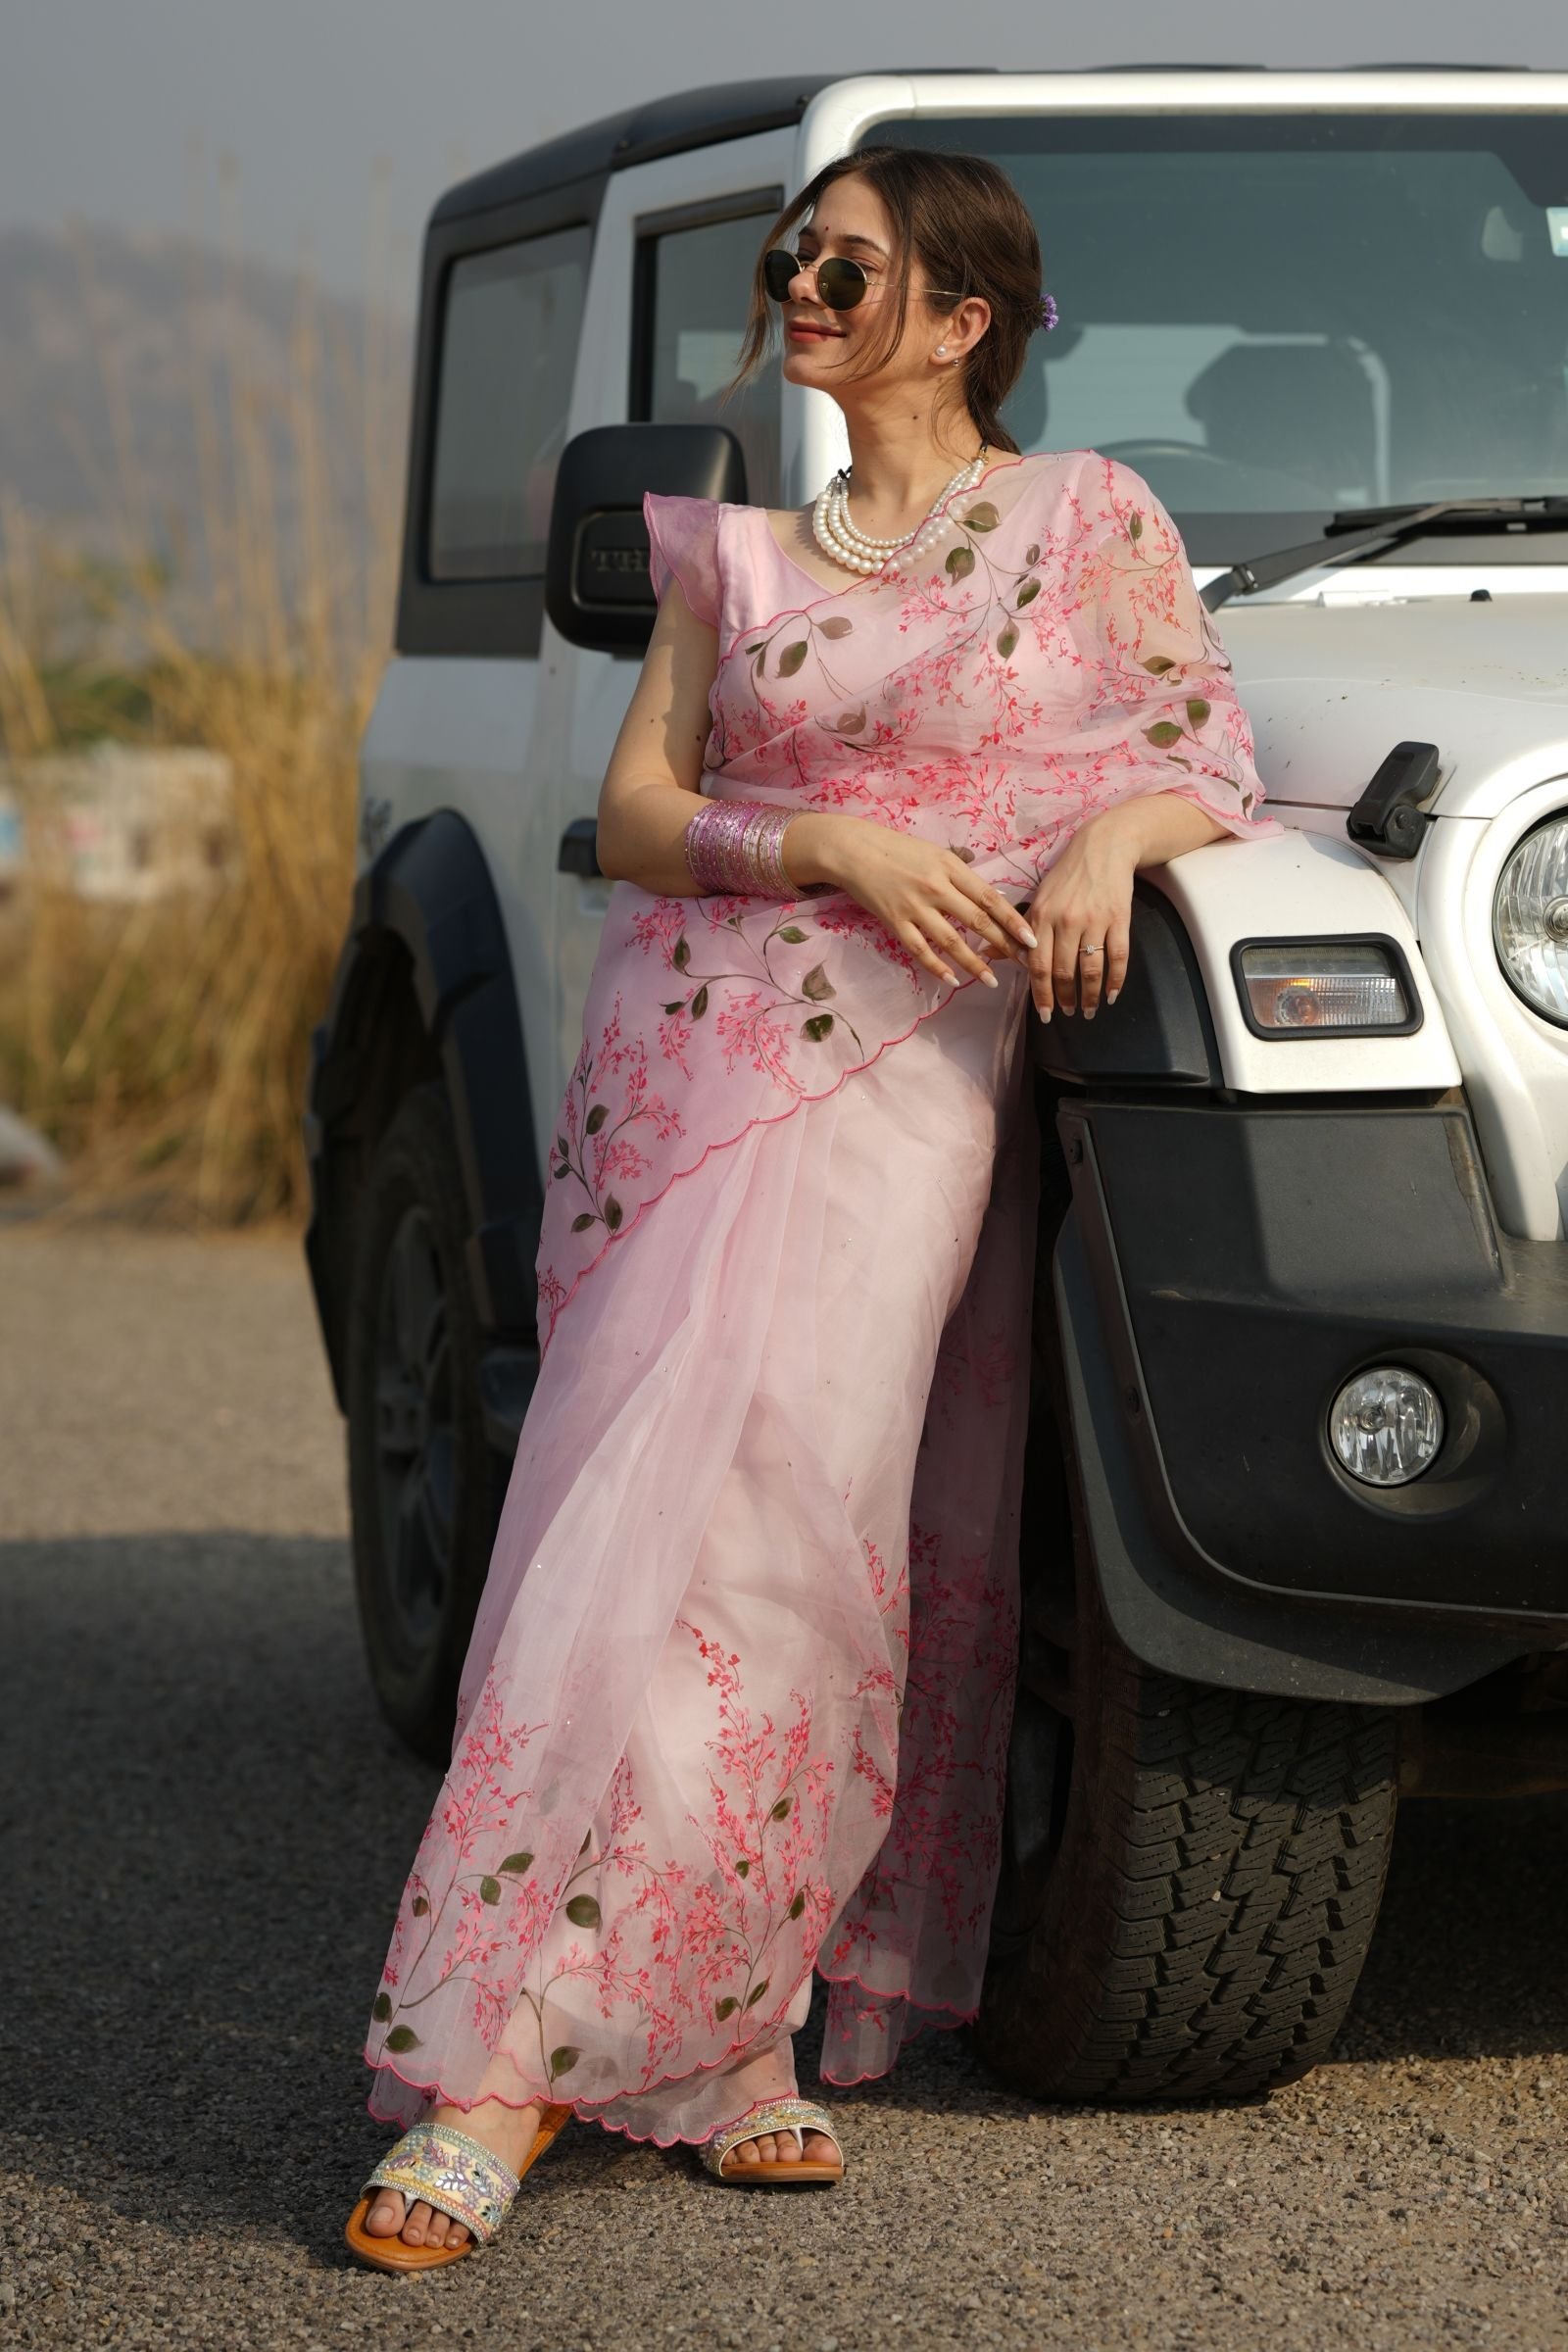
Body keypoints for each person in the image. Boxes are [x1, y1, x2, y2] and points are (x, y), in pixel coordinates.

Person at [344, 142, 1283, 2271]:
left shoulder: (1083, 523)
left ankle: (723, 2033)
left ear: (962, 314)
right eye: (793, 259)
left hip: (907, 1091)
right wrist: (834, 855)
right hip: (703, 1067)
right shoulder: (731, 557)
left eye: (845, 265)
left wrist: (1100, 853)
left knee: (807, 1538)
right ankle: (499, 2064)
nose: (799, 288)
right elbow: (642, 811)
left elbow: (1194, 750)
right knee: (618, 1508)